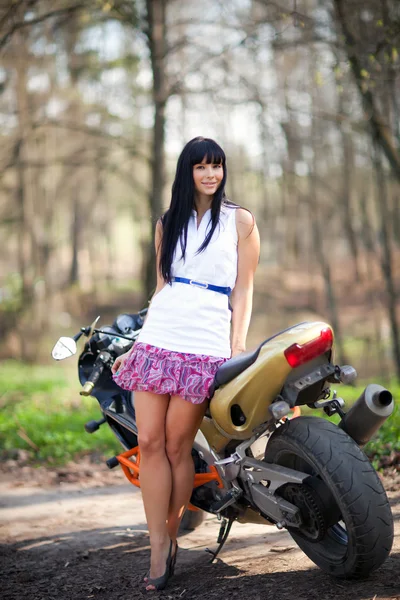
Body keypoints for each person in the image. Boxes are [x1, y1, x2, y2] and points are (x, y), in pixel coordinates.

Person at [111, 136, 260, 591]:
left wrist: (236, 346)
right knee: (150, 442)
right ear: (187, 172)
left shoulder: (240, 222)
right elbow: (162, 286)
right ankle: (159, 544)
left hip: (205, 341)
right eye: (202, 167)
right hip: (159, 336)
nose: (211, 175)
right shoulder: (167, 223)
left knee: (178, 447)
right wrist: (139, 339)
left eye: (217, 166)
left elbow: (244, 289)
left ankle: (171, 538)